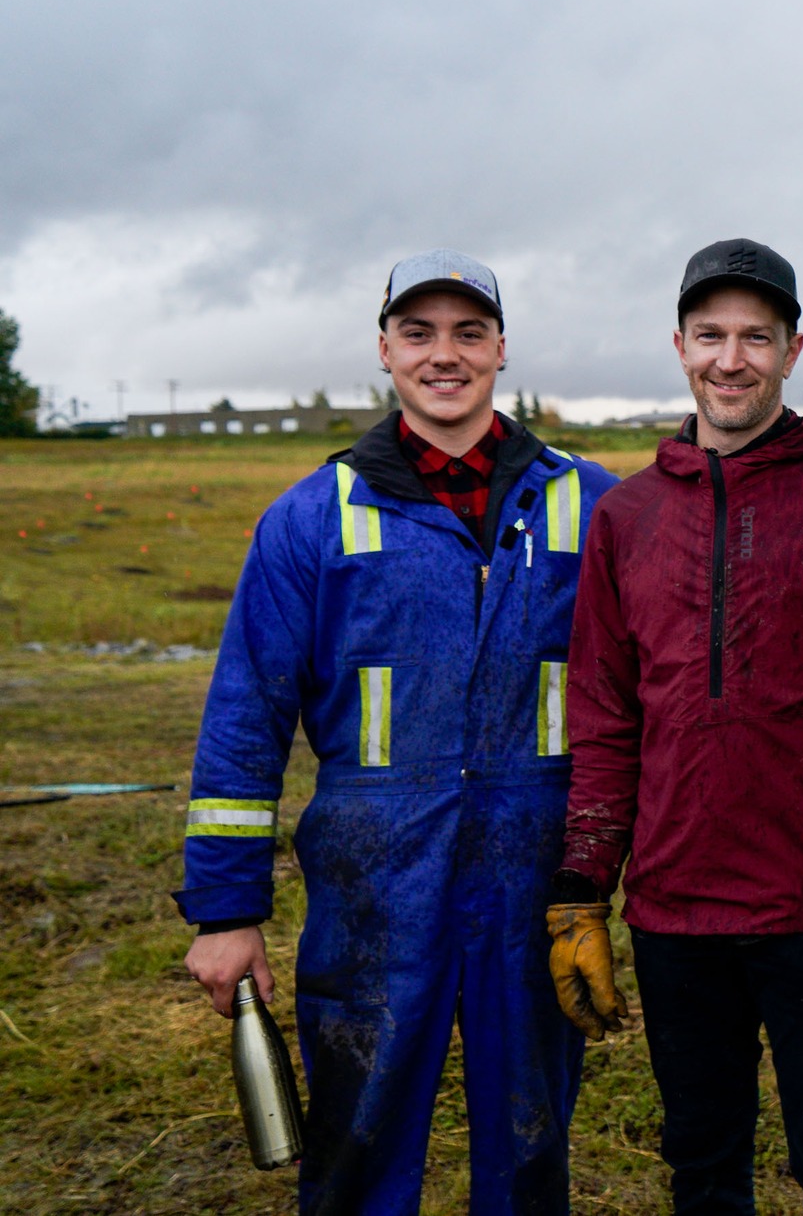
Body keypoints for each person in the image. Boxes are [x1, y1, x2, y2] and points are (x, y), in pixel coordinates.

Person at [176, 249, 618, 1214]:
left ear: (502, 348)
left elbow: (653, 695)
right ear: (385, 349)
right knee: (356, 1138)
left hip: (536, 877)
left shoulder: (594, 505)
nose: (444, 355)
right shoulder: (310, 519)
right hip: (374, 883)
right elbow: (246, 717)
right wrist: (224, 910)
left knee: (533, 1136)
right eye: (418, 333)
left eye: (469, 332)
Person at [544, 238, 803, 1215]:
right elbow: (606, 717)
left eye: (754, 337)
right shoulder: (629, 517)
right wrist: (583, 883)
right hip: (674, 906)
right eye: (709, 336)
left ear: (791, 349)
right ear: (678, 344)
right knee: (701, 1164)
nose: (729, 358)